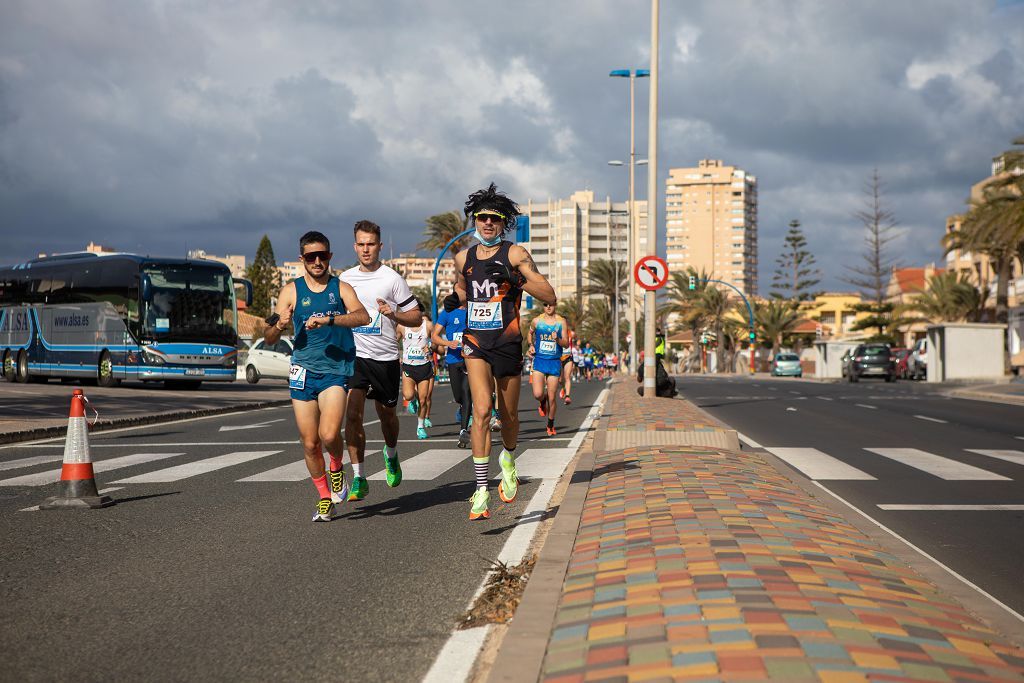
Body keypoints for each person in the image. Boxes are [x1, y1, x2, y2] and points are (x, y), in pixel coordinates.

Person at [443, 183, 556, 521]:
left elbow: (549, 295)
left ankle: (508, 457)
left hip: (506, 342)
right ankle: (480, 490)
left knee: (507, 417)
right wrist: (455, 299)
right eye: (482, 218)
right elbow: (465, 289)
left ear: (503, 222)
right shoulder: (464, 257)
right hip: (475, 341)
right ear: (474, 221)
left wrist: (516, 279)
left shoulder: (516, 254)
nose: (487, 224)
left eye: (494, 218)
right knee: (480, 411)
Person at [263, 230, 370, 522]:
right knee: (309, 442)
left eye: (323, 255)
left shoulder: (341, 288)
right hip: (302, 371)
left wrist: (331, 319)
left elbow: (363, 317)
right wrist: (279, 324)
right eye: (312, 256)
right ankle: (325, 497)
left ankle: (336, 465)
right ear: (302, 259)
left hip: (336, 370)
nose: (318, 261)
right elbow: (269, 335)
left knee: (328, 434)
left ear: (330, 256)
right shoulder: (291, 291)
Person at [341, 220, 422, 500]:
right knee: (352, 416)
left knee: (387, 416)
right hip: (355, 358)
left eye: (371, 244)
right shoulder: (345, 279)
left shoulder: (392, 279)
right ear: (355, 246)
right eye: (361, 244)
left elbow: (416, 317)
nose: (366, 249)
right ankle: (359, 476)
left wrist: (393, 314)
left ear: (379, 246)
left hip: (385, 358)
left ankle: (391, 453)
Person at [432, 293, 472, 448]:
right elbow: (434, 336)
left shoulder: (472, 311)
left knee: (466, 392)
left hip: (470, 360)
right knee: (459, 396)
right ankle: (465, 409)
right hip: (453, 360)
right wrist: (448, 343)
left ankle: (463, 430)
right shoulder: (447, 313)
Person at [528, 301, 570, 436]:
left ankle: (550, 424)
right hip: (539, 361)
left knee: (552, 398)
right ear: (543, 306)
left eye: (551, 304)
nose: (548, 307)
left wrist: (557, 339)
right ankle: (542, 401)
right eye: (545, 304)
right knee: (538, 394)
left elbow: (566, 343)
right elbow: (530, 334)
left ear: (555, 304)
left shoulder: (561, 322)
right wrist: (531, 345)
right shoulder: (536, 321)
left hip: (554, 363)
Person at [399, 303, 435, 439]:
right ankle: (412, 399)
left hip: (424, 366)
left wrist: (430, 348)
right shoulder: (402, 326)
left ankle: (420, 427)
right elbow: (394, 341)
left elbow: (436, 341)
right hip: (408, 366)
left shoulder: (429, 325)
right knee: (408, 395)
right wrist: (396, 355)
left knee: (423, 399)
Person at [559, 324, 575, 405]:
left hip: (568, 357)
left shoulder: (570, 333)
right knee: (560, 380)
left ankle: (567, 396)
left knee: (567, 377)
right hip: (559, 358)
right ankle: (563, 388)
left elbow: (573, 335)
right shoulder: (556, 333)